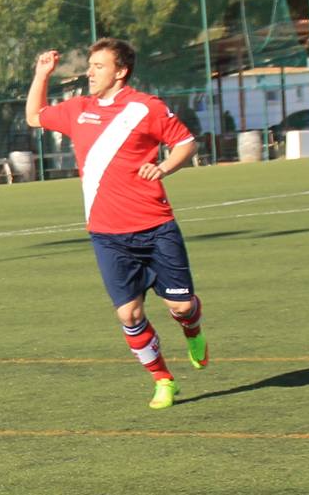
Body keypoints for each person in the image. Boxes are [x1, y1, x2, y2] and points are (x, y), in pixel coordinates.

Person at [25, 38, 208, 409]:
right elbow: (35, 115)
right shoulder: (78, 110)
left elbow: (186, 143)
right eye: (90, 65)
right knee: (129, 313)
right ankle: (163, 379)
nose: (89, 73)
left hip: (156, 226)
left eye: (98, 66)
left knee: (181, 307)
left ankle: (192, 328)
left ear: (120, 71)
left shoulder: (146, 107)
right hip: (107, 234)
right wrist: (41, 74)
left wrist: (164, 166)